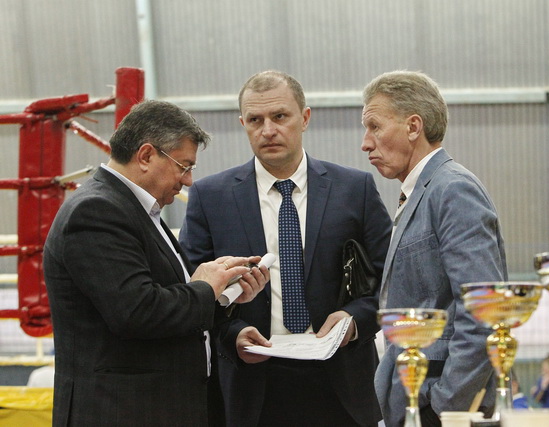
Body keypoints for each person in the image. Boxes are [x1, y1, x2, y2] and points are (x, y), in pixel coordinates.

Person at [179, 70, 393, 427]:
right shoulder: (210, 197)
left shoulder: (354, 190)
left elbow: (391, 279)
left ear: (304, 118)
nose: (268, 130)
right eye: (255, 120)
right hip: (251, 389)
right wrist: (231, 335)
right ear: (243, 124)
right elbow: (191, 290)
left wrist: (354, 320)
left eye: (280, 116)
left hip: (342, 384)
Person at [43, 100, 270, 427]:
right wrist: (204, 288)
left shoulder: (135, 209)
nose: (188, 180)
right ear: (147, 155)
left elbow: (162, 299)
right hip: (123, 412)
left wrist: (223, 295)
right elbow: (137, 312)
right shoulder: (96, 212)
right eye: (184, 166)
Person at [360, 70, 505, 427]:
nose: (365, 143)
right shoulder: (422, 192)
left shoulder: (452, 190)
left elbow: (484, 313)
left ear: (413, 127)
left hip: (442, 406)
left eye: (375, 127)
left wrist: (444, 406)